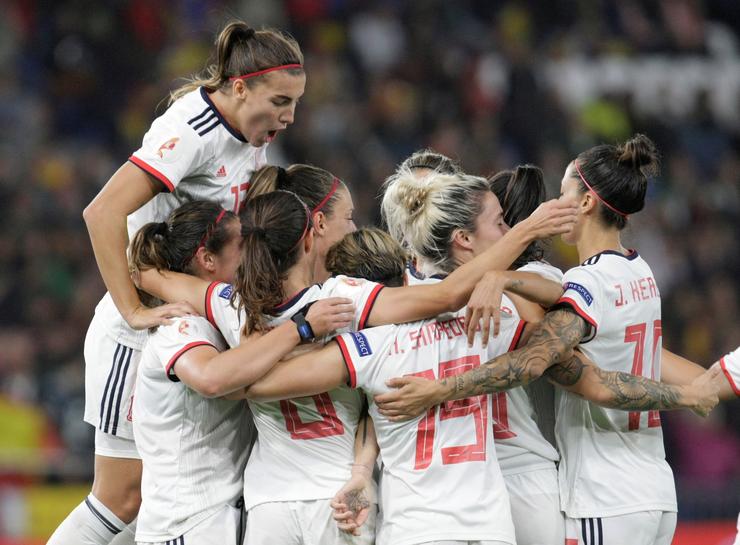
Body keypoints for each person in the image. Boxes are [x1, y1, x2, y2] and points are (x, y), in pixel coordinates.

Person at [137, 173, 576, 544]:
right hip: (344, 499)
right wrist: (526, 233)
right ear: (311, 235)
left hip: (270, 499)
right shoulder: (345, 301)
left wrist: (138, 303)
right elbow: (450, 295)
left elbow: (156, 279)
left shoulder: (230, 304)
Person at [233, 225, 716, 545]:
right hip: (491, 523)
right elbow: (581, 371)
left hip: (416, 527)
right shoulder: (486, 322)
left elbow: (252, 385)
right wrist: (688, 390)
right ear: (401, 273)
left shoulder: (365, 350)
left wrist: (291, 334)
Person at [373, 135, 713, 545]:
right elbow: (629, 356)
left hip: (522, 490)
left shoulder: (395, 302)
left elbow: (561, 365)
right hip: (601, 483)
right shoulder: (625, 274)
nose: (554, 205)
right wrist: (706, 385)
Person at [50, 20, 306, 545]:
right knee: (120, 498)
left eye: (295, 103)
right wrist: (133, 310)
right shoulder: (191, 131)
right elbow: (102, 212)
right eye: (281, 100)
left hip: (190, 316)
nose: (289, 116)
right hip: (139, 333)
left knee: (155, 500)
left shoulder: (250, 133)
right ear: (240, 88)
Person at [126, 201, 352, 545]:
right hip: (186, 523)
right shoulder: (181, 325)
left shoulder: (233, 312)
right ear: (207, 259)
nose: (254, 251)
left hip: (226, 515)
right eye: (242, 245)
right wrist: (300, 329)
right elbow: (213, 379)